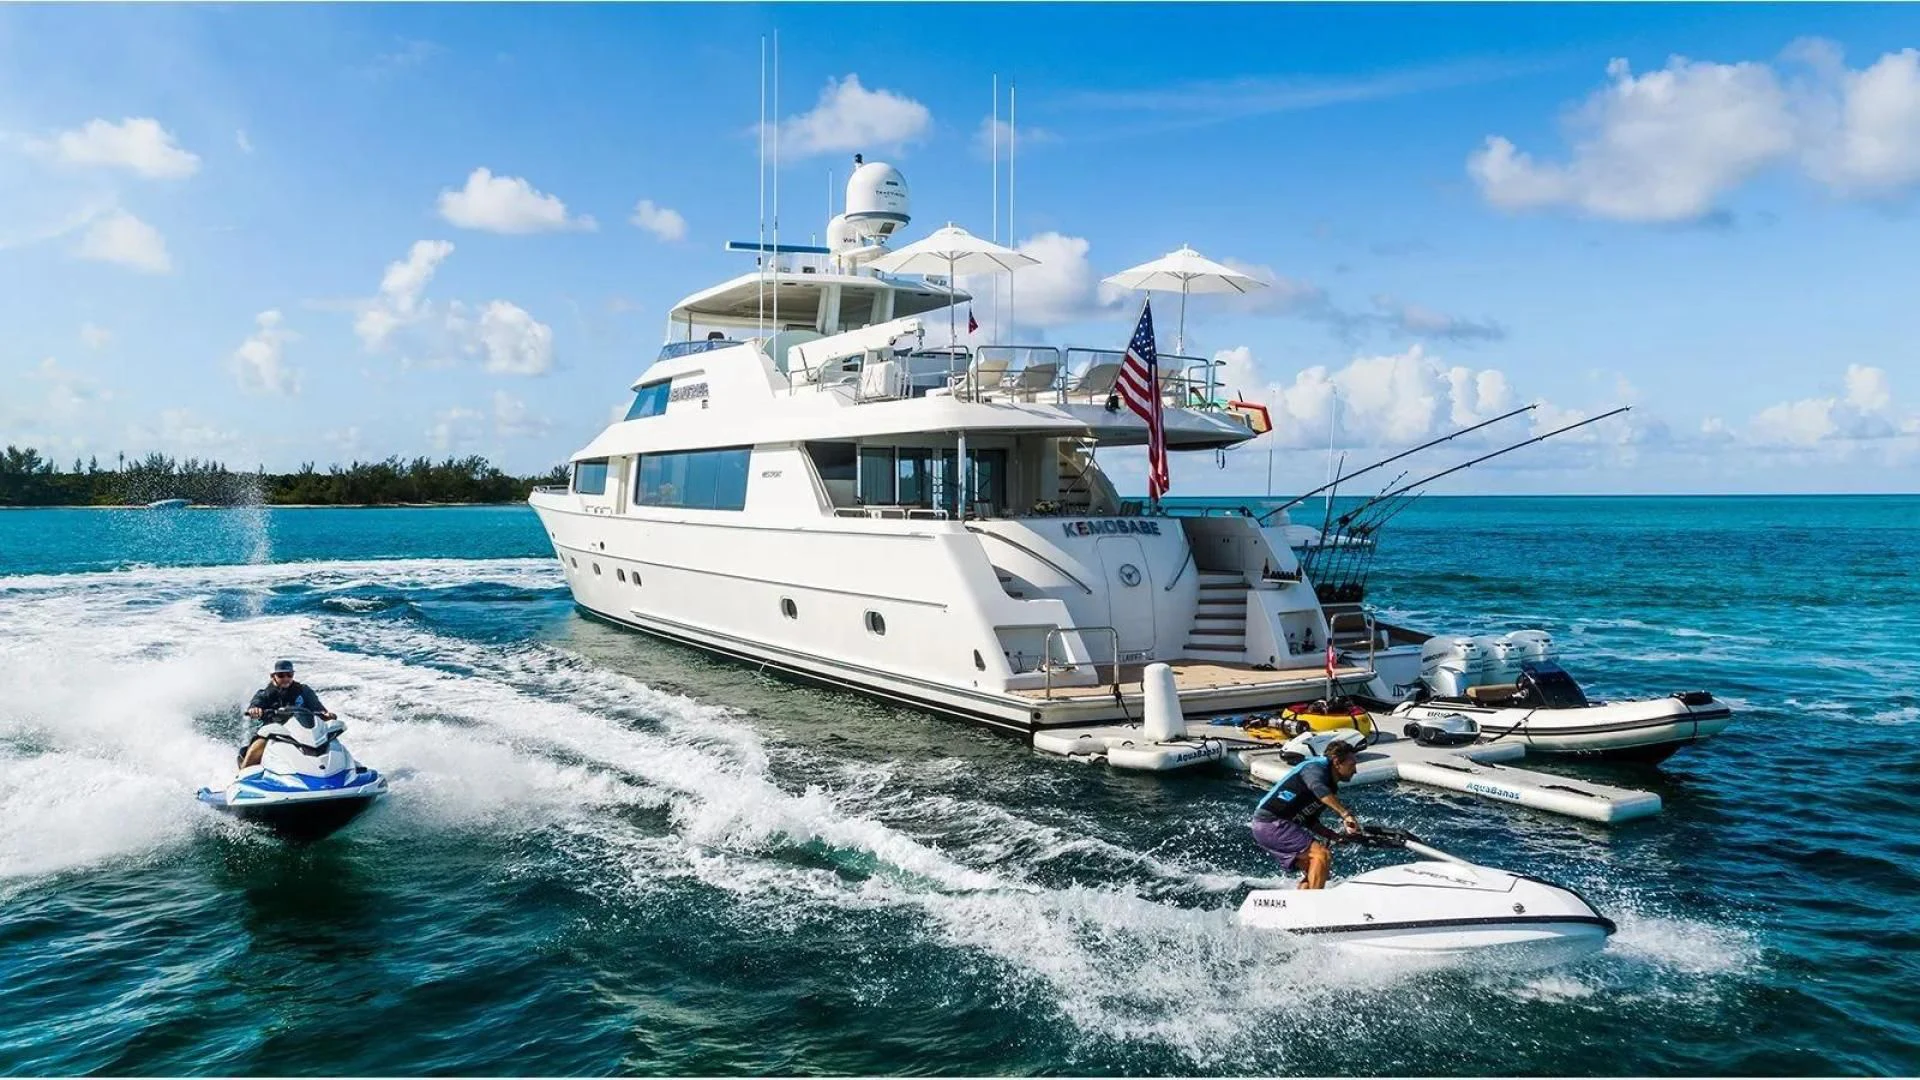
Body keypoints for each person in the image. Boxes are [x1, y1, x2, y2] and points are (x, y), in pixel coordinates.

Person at [1248, 741, 1362, 889]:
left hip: (1272, 826)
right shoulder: (1315, 767)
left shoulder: (1330, 786)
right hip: (1271, 822)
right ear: (1337, 762)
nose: (1355, 770)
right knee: (1321, 855)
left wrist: (1333, 835)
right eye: (1352, 764)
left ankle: (1300, 903)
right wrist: (1346, 814)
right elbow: (1317, 788)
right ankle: (1314, 906)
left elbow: (1309, 820)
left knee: (1316, 868)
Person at [238, 659, 334, 768]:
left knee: (330, 741)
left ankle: (339, 771)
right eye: (281, 675)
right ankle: (242, 775)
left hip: (303, 733)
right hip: (274, 733)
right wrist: (254, 710)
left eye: (289, 675)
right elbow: (255, 704)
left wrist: (326, 715)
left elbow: (318, 708)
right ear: (273, 676)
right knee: (259, 744)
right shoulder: (264, 694)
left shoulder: (304, 691)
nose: (286, 678)